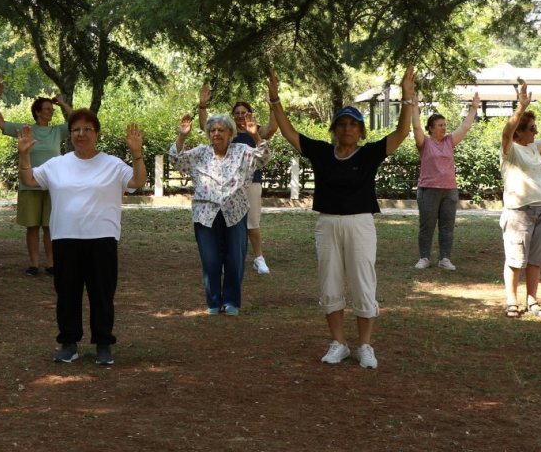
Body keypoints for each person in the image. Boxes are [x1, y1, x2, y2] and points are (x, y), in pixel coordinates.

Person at [268, 66, 415, 369]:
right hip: (327, 224)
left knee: (363, 282)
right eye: (342, 124)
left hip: (360, 223)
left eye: (353, 124)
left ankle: (365, 346)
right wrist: (274, 100)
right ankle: (339, 343)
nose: (347, 129)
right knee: (330, 283)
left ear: (361, 131)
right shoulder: (322, 153)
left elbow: (402, 133)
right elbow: (289, 132)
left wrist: (407, 97)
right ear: (334, 129)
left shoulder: (369, 154)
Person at [17, 109, 147, 365]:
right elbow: (30, 179)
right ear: (70, 134)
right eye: (76, 129)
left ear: (96, 133)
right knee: (67, 294)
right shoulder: (58, 163)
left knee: (102, 294)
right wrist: (24, 155)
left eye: (88, 129)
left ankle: (103, 344)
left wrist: (136, 153)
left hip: (102, 238)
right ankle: (69, 343)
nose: (81, 134)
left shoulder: (112, 163)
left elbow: (138, 181)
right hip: (65, 239)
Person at [170, 111, 270, 315]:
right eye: (213, 130)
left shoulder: (242, 151)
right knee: (211, 259)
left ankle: (232, 301)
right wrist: (182, 136)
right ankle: (213, 302)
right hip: (205, 213)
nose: (216, 133)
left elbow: (264, 157)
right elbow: (176, 160)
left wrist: (255, 136)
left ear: (230, 133)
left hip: (235, 212)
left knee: (235, 258)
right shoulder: (200, 153)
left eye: (221, 130)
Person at [198, 86, 280, 274]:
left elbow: (273, 128)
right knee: (229, 221)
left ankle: (259, 258)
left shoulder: (256, 131)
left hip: (252, 183)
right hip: (229, 185)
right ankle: (229, 260)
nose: (240, 115)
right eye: (237, 113)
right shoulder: (227, 133)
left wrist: (272, 106)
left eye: (244, 112)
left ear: (249, 114)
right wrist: (202, 106)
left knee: (252, 223)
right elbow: (205, 126)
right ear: (233, 116)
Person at [499, 82, 541, 319]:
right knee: (516, 260)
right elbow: (506, 132)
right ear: (520, 132)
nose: (536, 132)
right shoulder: (510, 149)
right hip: (518, 211)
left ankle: (532, 301)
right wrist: (520, 107)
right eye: (532, 128)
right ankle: (511, 301)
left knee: (535, 260)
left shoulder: (535, 147)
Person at [0, 92, 73, 276]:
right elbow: (1, 124)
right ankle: (34, 264)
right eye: (47, 109)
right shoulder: (26, 129)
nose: (51, 112)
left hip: (53, 186)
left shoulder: (56, 131)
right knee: (32, 226)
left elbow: (77, 122)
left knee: (50, 226)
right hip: (29, 185)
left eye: (52, 110)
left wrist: (62, 103)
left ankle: (51, 264)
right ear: (37, 112)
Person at [410, 91, 479, 271]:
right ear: (431, 128)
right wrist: (414, 107)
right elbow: (416, 128)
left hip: (449, 190)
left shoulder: (449, 141)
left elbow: (464, 127)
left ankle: (445, 258)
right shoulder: (424, 143)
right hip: (428, 190)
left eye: (445, 124)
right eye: (440, 125)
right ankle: (424, 257)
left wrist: (473, 108)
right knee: (427, 226)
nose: (444, 127)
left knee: (447, 227)